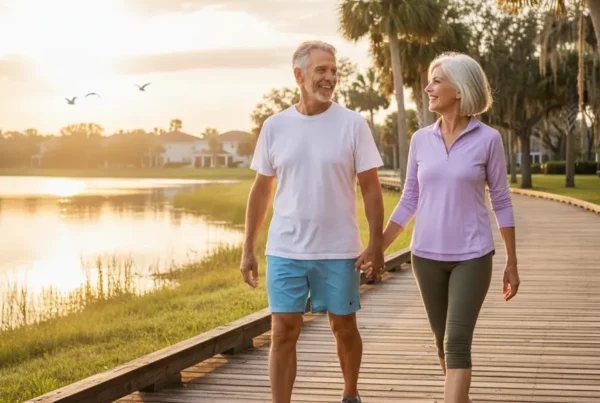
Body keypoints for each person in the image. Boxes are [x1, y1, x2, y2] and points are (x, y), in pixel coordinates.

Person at [240, 40, 385, 403]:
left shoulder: (352, 125)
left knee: (343, 326)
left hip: (338, 248)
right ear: (299, 75)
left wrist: (376, 245)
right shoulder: (275, 126)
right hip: (286, 248)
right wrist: (248, 249)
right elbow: (261, 191)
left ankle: (350, 394)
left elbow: (370, 189)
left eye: (334, 71)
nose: (329, 77)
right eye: (321, 70)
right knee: (283, 331)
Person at [377, 52, 521, 403]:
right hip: (425, 257)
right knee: (444, 345)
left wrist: (512, 261)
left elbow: (501, 200)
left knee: (456, 341)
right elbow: (409, 198)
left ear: (460, 89)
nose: (428, 88)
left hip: (472, 256)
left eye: (436, 81)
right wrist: (377, 247)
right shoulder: (420, 140)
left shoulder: (488, 139)